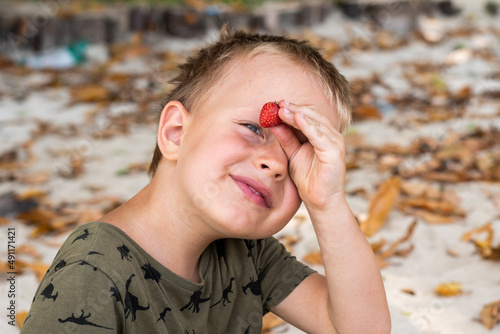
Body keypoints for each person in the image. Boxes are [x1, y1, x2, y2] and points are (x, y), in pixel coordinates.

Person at [21, 27, 391, 334]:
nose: (276, 165)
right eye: (252, 129)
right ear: (177, 132)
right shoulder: (91, 273)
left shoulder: (248, 253)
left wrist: (328, 202)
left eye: (297, 156)